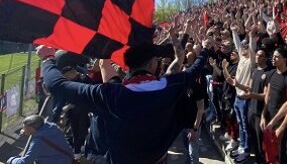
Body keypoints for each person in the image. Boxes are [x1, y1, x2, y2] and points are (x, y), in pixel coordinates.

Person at [37, 40, 210, 164]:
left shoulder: (110, 94)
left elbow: (57, 85)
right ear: (151, 65)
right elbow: (193, 70)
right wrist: (205, 50)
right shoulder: (171, 85)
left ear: (128, 67)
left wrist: (48, 58)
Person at [7, 115, 73, 164]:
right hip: (67, 159)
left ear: (30, 128)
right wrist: (27, 132)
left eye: (24, 127)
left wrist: (11, 159)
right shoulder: (52, 127)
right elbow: (38, 133)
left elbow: (25, 162)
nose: (23, 129)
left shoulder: (38, 143)